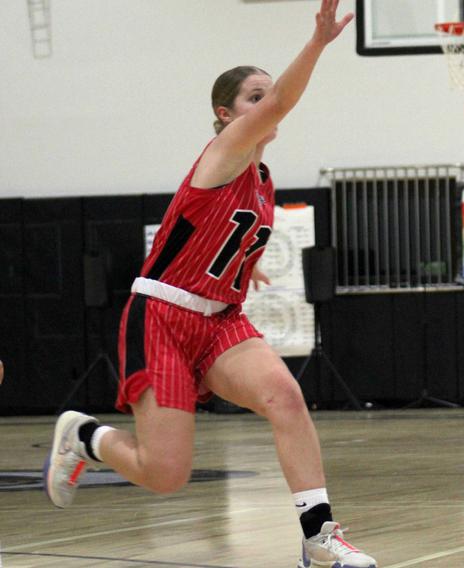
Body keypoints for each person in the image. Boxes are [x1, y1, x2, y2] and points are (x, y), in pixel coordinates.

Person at [43, 2, 376, 567]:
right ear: (225, 115)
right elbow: (283, 102)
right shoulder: (224, 153)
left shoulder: (263, 178)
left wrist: (246, 269)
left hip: (221, 319)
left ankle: (318, 534)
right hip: (162, 319)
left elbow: (222, 243)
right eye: (255, 97)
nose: (268, 104)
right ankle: (85, 438)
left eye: (266, 96)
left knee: (286, 397)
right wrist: (318, 42)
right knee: (165, 474)